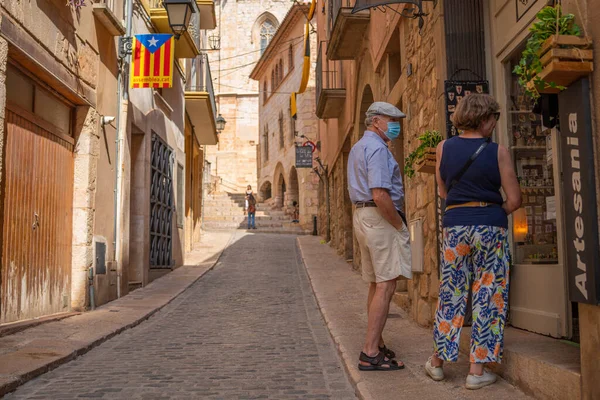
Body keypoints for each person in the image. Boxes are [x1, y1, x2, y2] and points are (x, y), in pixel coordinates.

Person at [425, 94, 522, 389]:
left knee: (452, 291)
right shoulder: (498, 151)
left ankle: (438, 362)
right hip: (490, 226)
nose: (495, 124)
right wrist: (495, 211)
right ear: (483, 119)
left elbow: (443, 192)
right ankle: (476, 372)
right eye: (494, 118)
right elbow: (515, 199)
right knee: (488, 293)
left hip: (455, 226)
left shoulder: (443, 148)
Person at [347, 101, 412, 371]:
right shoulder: (376, 148)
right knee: (386, 285)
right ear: (376, 121)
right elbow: (380, 194)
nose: (395, 124)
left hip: (363, 217)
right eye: (391, 119)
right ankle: (370, 351)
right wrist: (398, 224)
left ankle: (377, 343)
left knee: (376, 284)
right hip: (379, 217)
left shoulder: (358, 147)